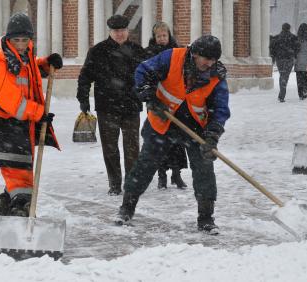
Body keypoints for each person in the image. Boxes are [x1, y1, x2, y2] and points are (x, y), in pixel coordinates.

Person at [116, 35, 230, 234]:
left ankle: (206, 218)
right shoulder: (171, 57)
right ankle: (127, 208)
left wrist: (212, 136)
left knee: (204, 169)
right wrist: (149, 96)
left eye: (213, 60)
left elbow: (220, 109)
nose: (209, 63)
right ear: (194, 54)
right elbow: (143, 71)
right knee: (145, 165)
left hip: (196, 127)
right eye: (205, 59)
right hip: (162, 121)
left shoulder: (216, 76)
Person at [0, 13, 63, 219]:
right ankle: (19, 224)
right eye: (16, 40)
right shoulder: (1, 63)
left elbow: (28, 70)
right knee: (20, 176)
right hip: (2, 124)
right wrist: (38, 113)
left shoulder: (21, 57)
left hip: (16, 123)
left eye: (25, 40)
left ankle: (6, 214)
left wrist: (44, 64)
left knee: (19, 168)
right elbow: (10, 101)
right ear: (8, 39)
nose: (21, 44)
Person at [77, 15, 146, 195]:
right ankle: (114, 183)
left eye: (123, 30)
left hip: (131, 105)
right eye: (116, 31)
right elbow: (85, 77)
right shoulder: (98, 51)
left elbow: (148, 76)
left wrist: (148, 95)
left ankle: (132, 182)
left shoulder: (138, 51)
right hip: (107, 106)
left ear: (127, 31)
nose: (120, 34)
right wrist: (83, 98)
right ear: (110, 31)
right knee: (110, 148)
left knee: (132, 147)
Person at [145, 22, 188, 189]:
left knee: (177, 140)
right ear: (154, 38)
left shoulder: (177, 52)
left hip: (176, 101)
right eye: (159, 36)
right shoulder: (149, 54)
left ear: (169, 35)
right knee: (159, 138)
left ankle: (176, 175)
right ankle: (161, 175)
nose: (162, 39)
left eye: (164, 35)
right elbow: (146, 76)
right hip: (157, 101)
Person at [270, 23, 300, 102]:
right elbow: (298, 47)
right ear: (289, 28)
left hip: (279, 59)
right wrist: (295, 55)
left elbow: (272, 48)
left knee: (282, 74)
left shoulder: (277, 38)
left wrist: (273, 57)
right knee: (285, 75)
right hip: (289, 59)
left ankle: (282, 93)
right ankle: (282, 93)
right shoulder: (293, 38)